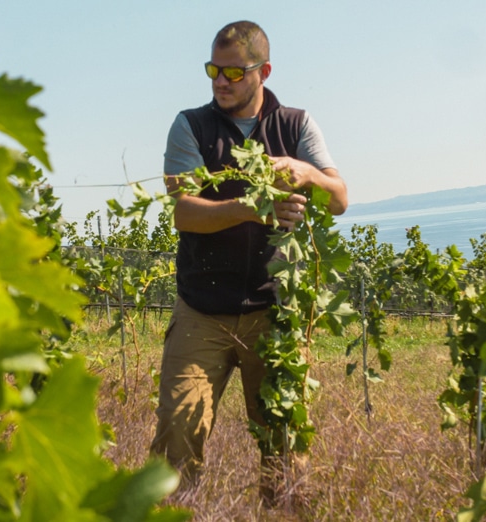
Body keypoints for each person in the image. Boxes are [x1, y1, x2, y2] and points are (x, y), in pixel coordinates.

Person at [149, 20, 347, 502]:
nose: (221, 82)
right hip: (201, 310)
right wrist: (254, 208)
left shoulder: (296, 125)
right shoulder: (190, 126)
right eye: (213, 70)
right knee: (177, 435)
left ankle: (282, 511)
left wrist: (305, 173)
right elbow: (184, 213)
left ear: (264, 71)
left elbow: (339, 198)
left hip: (274, 313)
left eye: (234, 73)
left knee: (285, 441)